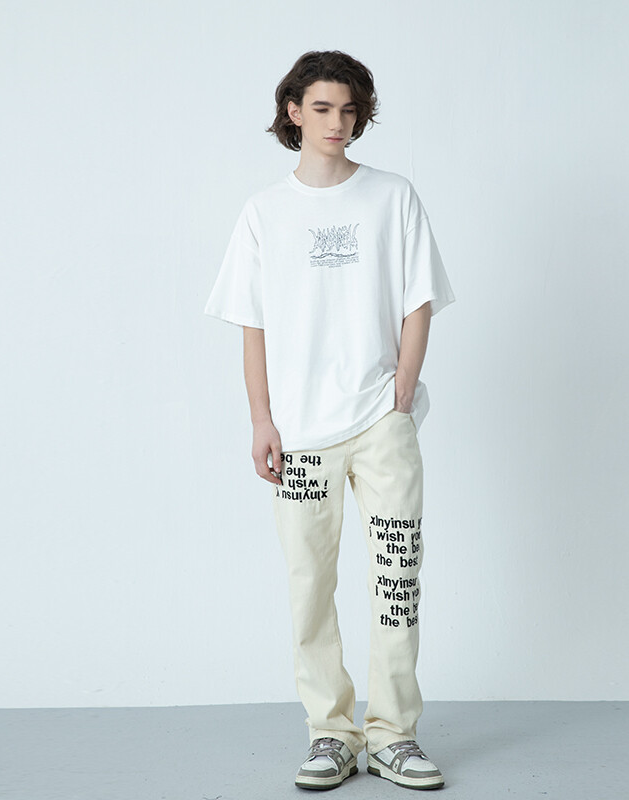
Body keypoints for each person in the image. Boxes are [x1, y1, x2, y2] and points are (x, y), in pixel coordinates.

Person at [204, 50, 455, 791]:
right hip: (301, 432)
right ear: (293, 112)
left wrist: (401, 391)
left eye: (349, 109)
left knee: (397, 580)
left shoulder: (392, 196)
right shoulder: (264, 212)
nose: (337, 122)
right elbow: (251, 325)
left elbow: (418, 299)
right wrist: (262, 420)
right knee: (310, 584)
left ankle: (394, 735)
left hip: (381, 423)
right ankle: (331, 734)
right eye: (321, 108)